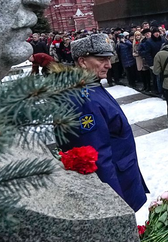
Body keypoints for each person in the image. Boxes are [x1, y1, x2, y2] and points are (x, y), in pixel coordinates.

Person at [60, 33, 149, 211]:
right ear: (82, 61)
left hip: (124, 174)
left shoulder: (91, 86)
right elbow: (97, 157)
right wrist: (116, 207)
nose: (108, 65)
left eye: (109, 58)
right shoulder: (85, 100)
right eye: (101, 59)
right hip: (116, 186)